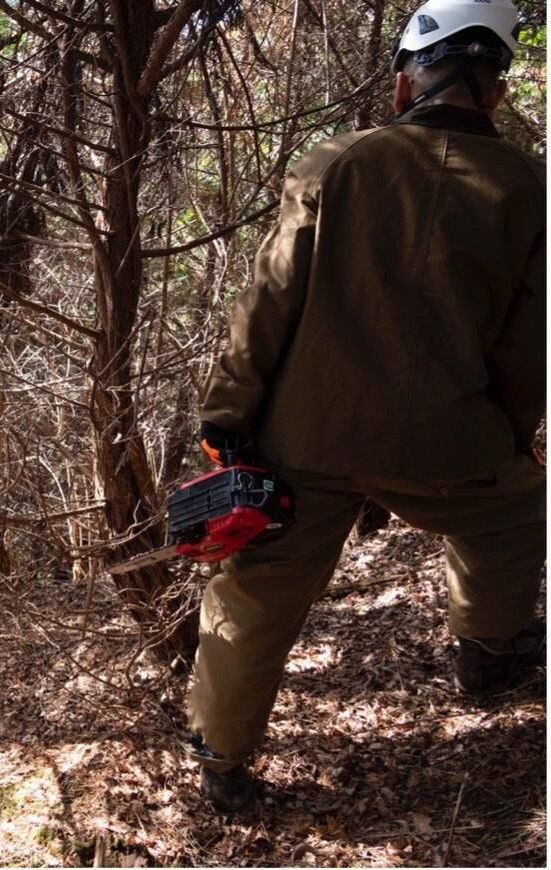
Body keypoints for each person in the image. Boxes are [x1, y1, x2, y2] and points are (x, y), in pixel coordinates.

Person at [187, 0, 545, 813]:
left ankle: (221, 761)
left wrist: (225, 418)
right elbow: (530, 349)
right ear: (493, 91)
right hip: (452, 445)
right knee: (518, 515)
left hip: (307, 436)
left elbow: (267, 306)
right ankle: (488, 651)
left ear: (403, 82)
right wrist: (512, 439)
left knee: (255, 596)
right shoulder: (532, 188)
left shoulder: (332, 166)